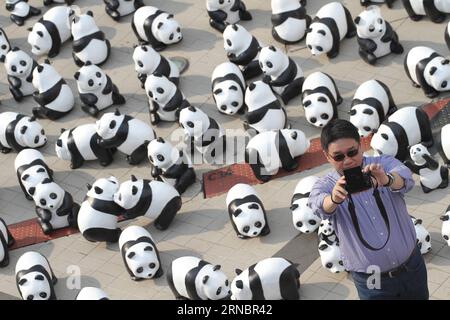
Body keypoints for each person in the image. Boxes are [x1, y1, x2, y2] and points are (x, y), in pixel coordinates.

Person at [308, 119, 429, 300]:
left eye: (352, 152)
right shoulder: (326, 185)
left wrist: (386, 179)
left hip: (411, 266)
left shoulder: (382, 164)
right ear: (327, 156)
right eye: (339, 157)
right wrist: (334, 199)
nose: (348, 161)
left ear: (361, 145)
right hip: (372, 280)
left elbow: (406, 178)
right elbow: (318, 205)